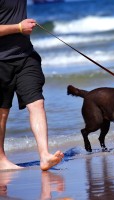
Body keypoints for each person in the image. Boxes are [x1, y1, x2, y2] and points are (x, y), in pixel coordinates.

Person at [0, 0, 64, 171]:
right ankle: (0, 160)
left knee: (37, 102)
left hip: (26, 56)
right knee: (2, 112)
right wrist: (19, 28)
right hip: (1, 61)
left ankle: (44, 156)